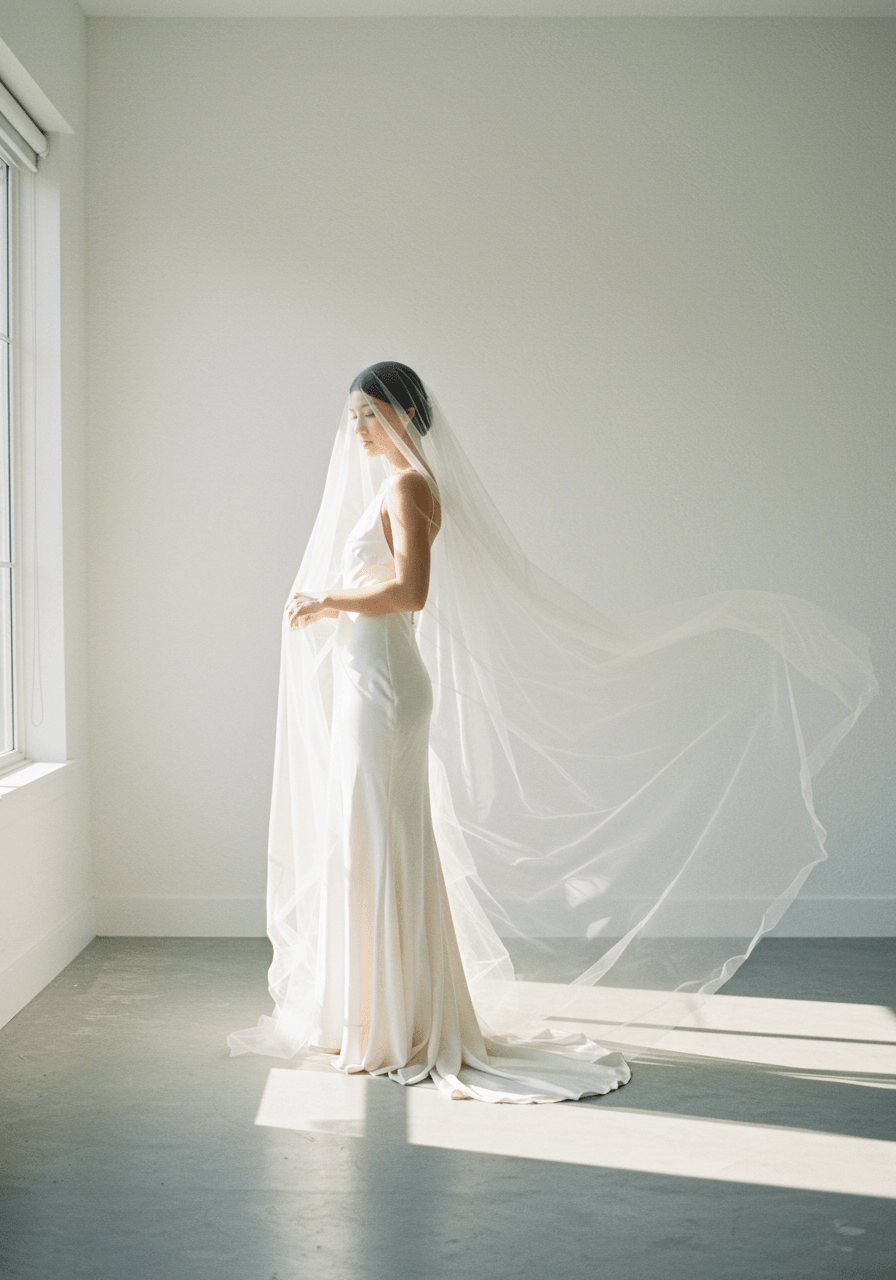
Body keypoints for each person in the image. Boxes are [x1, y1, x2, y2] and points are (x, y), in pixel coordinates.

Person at [227, 362, 876, 1103]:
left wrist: (324, 598)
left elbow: (412, 591)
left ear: (406, 415)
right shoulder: (387, 488)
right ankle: (374, 1011)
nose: (358, 428)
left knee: (382, 841)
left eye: (371, 413)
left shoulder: (409, 487)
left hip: (383, 691)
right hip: (364, 684)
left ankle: (397, 1020)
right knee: (367, 842)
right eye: (352, 416)